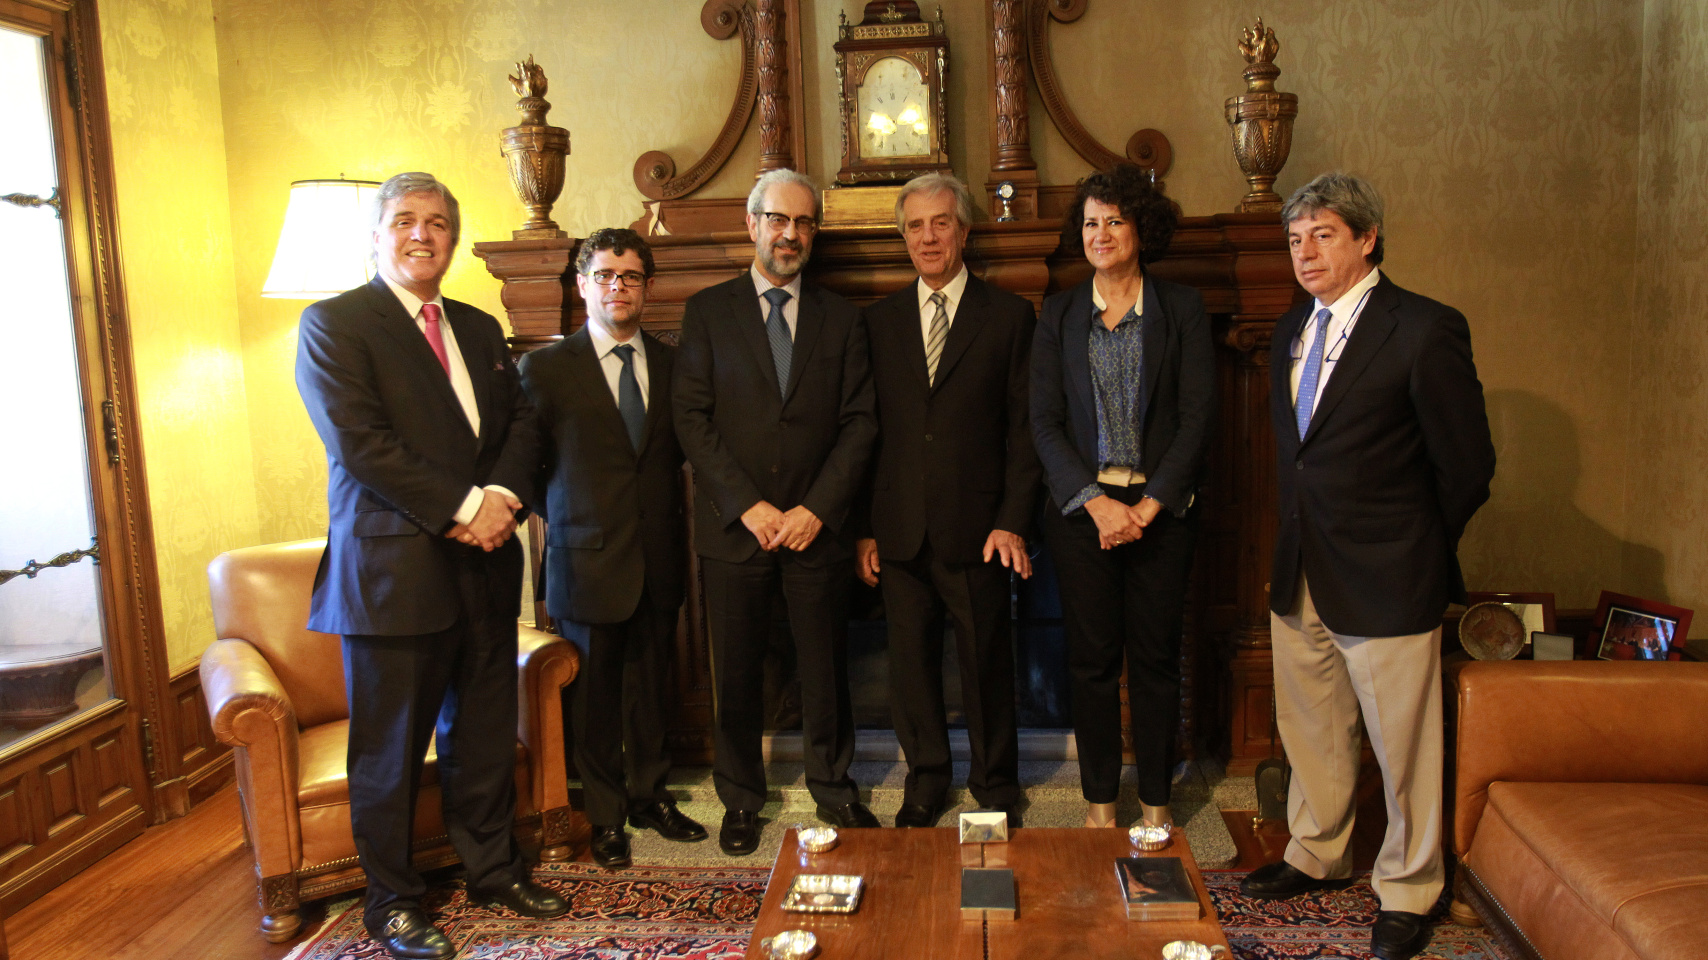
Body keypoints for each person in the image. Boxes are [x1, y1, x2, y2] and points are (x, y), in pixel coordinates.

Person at [295, 172, 565, 960]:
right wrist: (465, 508)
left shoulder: (480, 329)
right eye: (406, 221)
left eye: (438, 223)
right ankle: (393, 903)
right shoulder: (335, 324)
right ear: (376, 234)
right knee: (389, 750)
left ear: (453, 237)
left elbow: (523, 424)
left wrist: (506, 497)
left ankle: (492, 871)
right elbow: (363, 445)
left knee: (481, 734)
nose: (423, 235)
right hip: (392, 579)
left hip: (484, 570)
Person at [1239, 172, 1495, 960]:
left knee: (1402, 745)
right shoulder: (1289, 332)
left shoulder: (1423, 328)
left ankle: (1411, 889)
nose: (1305, 252)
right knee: (1311, 727)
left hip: (1389, 573)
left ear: (1366, 238)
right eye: (1294, 239)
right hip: (1302, 567)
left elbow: (1468, 467)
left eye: (1322, 235)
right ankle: (1317, 853)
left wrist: (1415, 544)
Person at [673, 168, 879, 854]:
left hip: (816, 532)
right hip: (736, 532)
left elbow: (860, 424)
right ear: (752, 223)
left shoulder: (843, 318)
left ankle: (834, 788)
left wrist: (817, 509)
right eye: (778, 220)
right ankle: (739, 797)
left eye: (804, 223)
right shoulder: (707, 311)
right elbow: (692, 421)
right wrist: (749, 506)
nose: (790, 235)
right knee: (735, 673)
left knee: (825, 668)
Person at [1031, 164, 1215, 832]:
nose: (1100, 233)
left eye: (1113, 220)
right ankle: (1102, 804)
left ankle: (1159, 805)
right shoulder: (1058, 314)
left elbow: (1197, 417)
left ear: (1142, 227)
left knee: (1158, 661)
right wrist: (1097, 504)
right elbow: (1044, 422)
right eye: (1089, 222)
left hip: (1162, 515)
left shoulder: (1183, 310)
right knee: (1092, 663)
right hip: (1085, 517)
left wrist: (1151, 503)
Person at [517, 228, 705, 872]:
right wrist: (578, 520)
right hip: (584, 559)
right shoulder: (544, 369)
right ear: (582, 285)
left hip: (658, 557)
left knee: (654, 689)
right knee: (595, 699)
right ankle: (604, 815)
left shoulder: (676, 363)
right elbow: (528, 471)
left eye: (629, 276)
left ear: (648, 288)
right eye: (605, 275)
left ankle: (650, 795)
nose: (618, 287)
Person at [856, 173, 1039, 828]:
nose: (928, 237)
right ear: (903, 237)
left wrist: (1012, 521)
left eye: (940, 223)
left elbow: (1025, 432)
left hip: (980, 530)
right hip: (898, 530)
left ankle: (995, 789)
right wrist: (864, 530)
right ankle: (926, 780)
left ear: (962, 230)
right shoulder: (876, 324)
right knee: (910, 671)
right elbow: (865, 433)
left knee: (987, 667)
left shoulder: (1010, 316)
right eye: (915, 226)